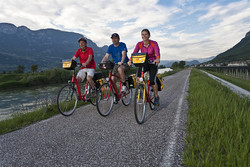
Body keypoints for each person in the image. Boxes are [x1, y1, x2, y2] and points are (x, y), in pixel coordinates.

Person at [128, 29, 161, 106]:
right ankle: (142, 92)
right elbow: (134, 53)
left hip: (152, 63)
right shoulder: (139, 44)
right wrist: (130, 60)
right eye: (142, 34)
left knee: (152, 81)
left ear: (149, 35)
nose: (144, 36)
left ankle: (156, 97)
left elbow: (157, 52)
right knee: (138, 77)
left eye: (146, 34)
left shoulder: (154, 43)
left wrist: (157, 59)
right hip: (143, 63)